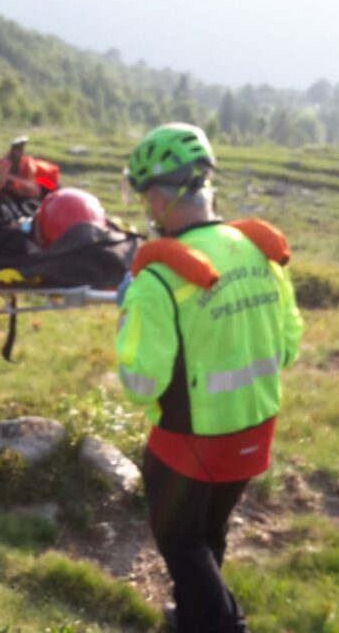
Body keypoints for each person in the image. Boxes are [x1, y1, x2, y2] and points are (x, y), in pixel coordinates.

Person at [115, 123, 303, 632]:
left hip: (188, 442)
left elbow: (141, 384)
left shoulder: (156, 280)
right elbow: (288, 346)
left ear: (158, 198)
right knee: (209, 533)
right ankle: (194, 619)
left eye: (146, 199)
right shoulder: (261, 252)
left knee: (180, 541)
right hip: (256, 428)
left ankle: (223, 624)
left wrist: (127, 319)